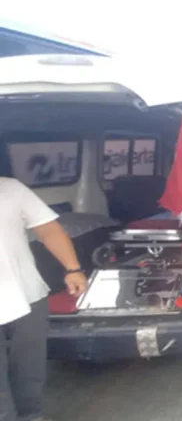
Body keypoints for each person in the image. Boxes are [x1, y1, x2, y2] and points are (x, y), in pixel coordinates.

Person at [1, 177, 87, 421]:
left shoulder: (10, 188)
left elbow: (48, 229)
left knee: (30, 368)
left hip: (27, 294)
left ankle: (31, 416)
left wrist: (73, 269)